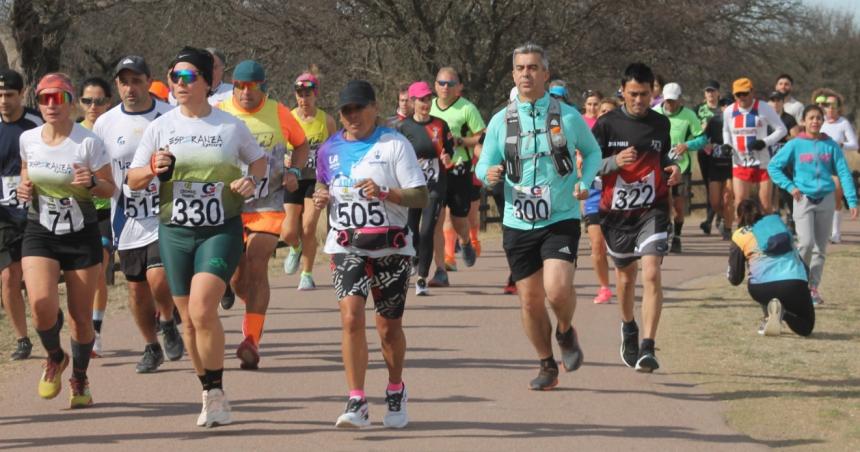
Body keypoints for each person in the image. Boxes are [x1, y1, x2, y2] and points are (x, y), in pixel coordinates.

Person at [128, 47, 266, 427]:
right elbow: (133, 178)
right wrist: (154, 169)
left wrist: (250, 180)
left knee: (204, 309)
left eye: (188, 78)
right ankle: (208, 392)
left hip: (221, 227)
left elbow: (258, 159)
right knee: (188, 320)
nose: (179, 84)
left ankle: (217, 390)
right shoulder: (161, 126)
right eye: (174, 77)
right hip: (175, 230)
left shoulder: (229, 126)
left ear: (208, 82)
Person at [477, 43, 600, 389]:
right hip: (517, 220)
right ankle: (547, 365)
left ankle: (565, 331)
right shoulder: (501, 120)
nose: (526, 74)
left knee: (558, 291)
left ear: (545, 74)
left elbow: (591, 153)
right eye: (520, 68)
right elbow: (482, 163)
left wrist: (585, 182)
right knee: (530, 302)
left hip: (559, 217)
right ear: (513, 74)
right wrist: (488, 174)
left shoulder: (568, 116)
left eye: (533, 68)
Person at [313, 80, 427, 428]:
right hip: (346, 245)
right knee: (350, 317)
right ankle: (357, 399)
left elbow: (420, 196)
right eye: (346, 110)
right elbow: (321, 182)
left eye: (359, 108)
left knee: (388, 328)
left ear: (374, 108)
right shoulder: (329, 149)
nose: (353, 116)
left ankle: (395, 387)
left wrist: (386, 193)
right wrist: (320, 196)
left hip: (390, 246)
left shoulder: (395, 145)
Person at [17, 72, 116, 408]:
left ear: (71, 101)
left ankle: (80, 376)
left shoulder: (87, 142)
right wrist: (24, 187)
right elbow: (27, 171)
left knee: (79, 316)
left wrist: (90, 182)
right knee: (41, 305)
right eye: (45, 98)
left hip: (81, 231)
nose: (51, 105)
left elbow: (110, 188)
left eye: (58, 98)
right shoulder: (29, 138)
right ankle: (56, 357)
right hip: (40, 229)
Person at [93, 55, 183, 373]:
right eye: (123, 81)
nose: (130, 88)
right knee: (136, 290)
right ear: (117, 85)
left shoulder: (169, 115)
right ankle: (151, 345)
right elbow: (100, 170)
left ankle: (169, 320)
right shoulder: (104, 124)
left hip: (165, 212)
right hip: (126, 215)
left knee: (158, 277)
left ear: (148, 80)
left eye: (136, 80)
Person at [592, 62, 681, 373]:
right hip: (616, 214)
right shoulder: (606, 125)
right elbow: (587, 167)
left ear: (652, 92)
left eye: (644, 94)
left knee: (652, 272)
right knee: (626, 279)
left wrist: (673, 168)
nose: (639, 100)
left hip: (652, 209)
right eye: (633, 94)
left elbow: (666, 156)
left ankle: (648, 346)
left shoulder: (660, 124)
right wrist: (614, 161)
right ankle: (629, 327)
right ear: (622, 92)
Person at [217, 60, 306, 370]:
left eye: (251, 86)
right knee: (239, 280)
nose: (244, 92)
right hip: (229, 207)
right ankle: (253, 308)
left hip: (267, 205)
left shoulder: (279, 112)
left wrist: (294, 169)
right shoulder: (220, 111)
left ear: (262, 86)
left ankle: (251, 341)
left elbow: (302, 144)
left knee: (257, 265)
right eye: (239, 85)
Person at [768, 104, 858, 305]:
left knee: (820, 248)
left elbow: (843, 172)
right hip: (803, 199)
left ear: (823, 121)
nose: (815, 121)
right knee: (806, 243)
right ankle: (797, 283)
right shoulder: (795, 144)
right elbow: (773, 167)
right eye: (811, 118)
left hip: (826, 198)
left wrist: (851, 200)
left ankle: (812, 288)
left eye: (818, 118)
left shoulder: (831, 145)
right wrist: (790, 186)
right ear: (804, 121)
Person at [0, 69, 42, 360]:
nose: (4, 101)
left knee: (35, 276)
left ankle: (48, 315)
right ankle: (22, 339)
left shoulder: (36, 124)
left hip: (35, 212)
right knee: (7, 277)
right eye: (0, 95)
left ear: (22, 93)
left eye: (9, 95)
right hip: (3, 215)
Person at [398, 81, 454, 296]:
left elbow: (449, 152)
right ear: (412, 101)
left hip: (435, 185)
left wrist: (448, 157)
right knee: (411, 229)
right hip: (412, 186)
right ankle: (413, 259)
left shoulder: (440, 124)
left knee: (427, 230)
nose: (426, 103)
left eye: (428, 99)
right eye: (421, 99)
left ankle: (421, 277)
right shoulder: (403, 127)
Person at [727, 198, 814, 336]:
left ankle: (770, 316)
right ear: (761, 210)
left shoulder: (739, 235)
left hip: (761, 288)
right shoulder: (777, 223)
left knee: (759, 277)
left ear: (739, 217)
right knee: (806, 327)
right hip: (794, 281)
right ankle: (783, 314)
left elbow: (735, 278)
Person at [282, 72, 334, 290]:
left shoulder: (326, 120)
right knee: (288, 232)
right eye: (300, 94)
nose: (304, 99)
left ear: (316, 94)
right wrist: (285, 158)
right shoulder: (288, 117)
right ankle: (295, 248)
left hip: (316, 179)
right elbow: (280, 146)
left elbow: (334, 150)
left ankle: (307, 273)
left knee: (309, 226)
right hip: (294, 177)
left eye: (308, 94)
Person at [430, 67, 482, 282]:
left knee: (458, 219)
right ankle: (441, 269)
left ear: (459, 87)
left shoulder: (467, 108)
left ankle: (466, 241)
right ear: (435, 85)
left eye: (450, 83)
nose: (445, 87)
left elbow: (481, 137)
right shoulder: (429, 107)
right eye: (441, 83)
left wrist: (461, 141)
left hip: (460, 169)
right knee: (436, 220)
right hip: (434, 171)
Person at [77, 77, 113, 357]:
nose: (93, 106)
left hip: (106, 208)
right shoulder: (73, 132)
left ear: (108, 103)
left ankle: (96, 329)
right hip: (77, 209)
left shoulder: (113, 130)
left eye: (99, 101)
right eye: (88, 100)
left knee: (100, 267)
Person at [653, 82, 706, 253]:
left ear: (680, 99)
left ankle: (677, 236)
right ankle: (663, 231)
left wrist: (687, 145)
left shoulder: (689, 115)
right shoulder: (654, 113)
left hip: (681, 166)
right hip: (659, 164)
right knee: (661, 201)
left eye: (674, 101)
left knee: (678, 204)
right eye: (668, 100)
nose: (670, 104)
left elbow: (702, 139)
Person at [723, 78, 787, 216]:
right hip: (740, 162)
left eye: (745, 93)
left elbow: (782, 129)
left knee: (765, 205)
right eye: (738, 94)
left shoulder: (764, 108)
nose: (742, 97)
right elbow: (726, 130)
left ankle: (769, 234)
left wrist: (764, 142)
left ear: (752, 92)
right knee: (740, 203)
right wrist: (727, 145)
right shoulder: (729, 111)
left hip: (762, 162)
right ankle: (742, 235)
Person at [582, 97, 617, 304]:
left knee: (618, 250)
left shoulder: (624, 139)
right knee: (597, 246)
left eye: (610, 112)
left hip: (619, 199)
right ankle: (604, 287)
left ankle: (622, 280)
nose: (604, 114)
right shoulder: (589, 138)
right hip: (595, 198)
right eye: (602, 111)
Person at [812, 88, 858, 244]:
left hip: (836, 165)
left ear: (839, 107)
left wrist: (840, 144)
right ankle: (818, 231)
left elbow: (854, 144)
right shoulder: (818, 121)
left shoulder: (843, 123)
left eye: (834, 106)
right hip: (817, 164)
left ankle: (836, 233)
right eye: (827, 105)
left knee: (837, 195)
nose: (830, 109)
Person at [701, 97, 736, 240]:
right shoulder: (714, 121)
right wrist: (707, 146)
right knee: (715, 201)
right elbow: (703, 139)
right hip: (715, 165)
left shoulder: (738, 122)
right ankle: (722, 217)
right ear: (721, 107)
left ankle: (728, 228)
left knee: (728, 197)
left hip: (731, 166)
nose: (727, 108)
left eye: (730, 105)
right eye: (724, 105)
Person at [695, 80, 722, 234]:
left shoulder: (723, 109)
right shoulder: (698, 109)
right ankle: (712, 218)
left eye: (713, 91)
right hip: (703, 152)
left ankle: (712, 220)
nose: (710, 94)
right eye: (708, 91)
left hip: (720, 153)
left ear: (718, 93)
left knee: (718, 186)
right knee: (708, 185)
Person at [168, 47, 232, 106]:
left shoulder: (232, 93)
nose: (210, 71)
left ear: (222, 69)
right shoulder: (180, 93)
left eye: (214, 67)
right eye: (206, 67)